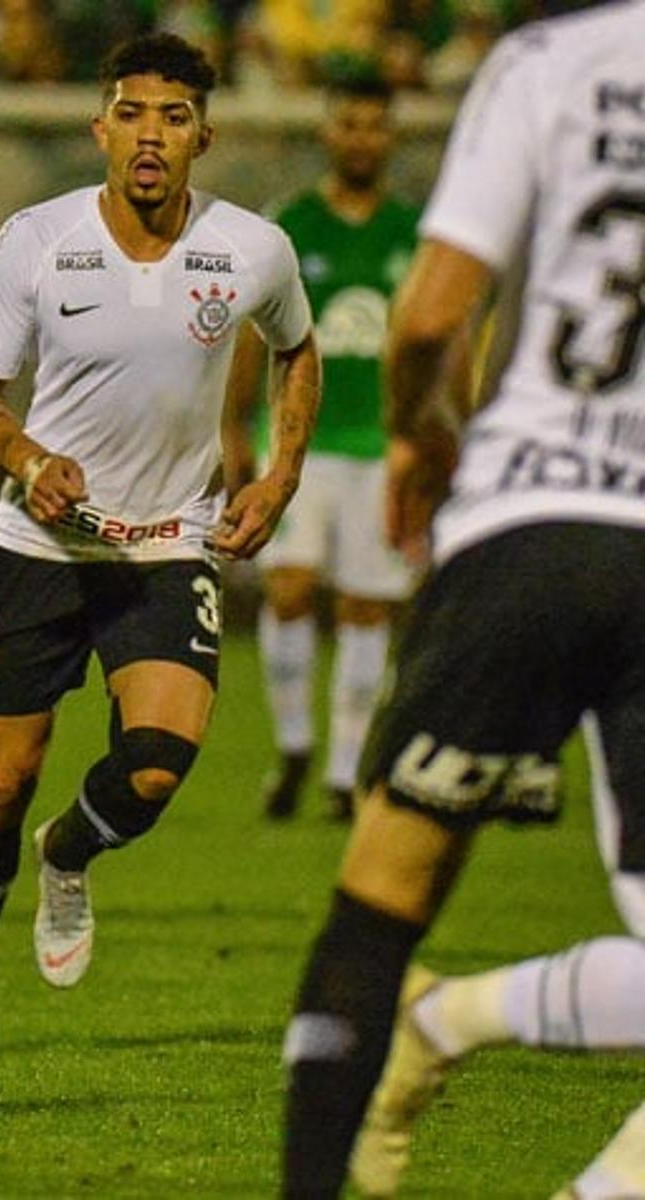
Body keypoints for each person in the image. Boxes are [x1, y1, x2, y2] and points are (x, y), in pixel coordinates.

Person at [280, 4, 645, 1196]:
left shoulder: (552, 61)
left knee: (383, 896)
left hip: (523, 521)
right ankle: (442, 1026)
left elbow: (433, 313)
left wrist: (418, 449)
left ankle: (400, 1064)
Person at [0, 32, 320, 1053]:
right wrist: (30, 459)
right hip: (41, 550)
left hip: (167, 544)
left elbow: (299, 351)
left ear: (202, 137)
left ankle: (70, 855)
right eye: (132, 113)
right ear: (101, 127)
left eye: (173, 118)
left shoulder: (253, 248)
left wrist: (277, 475)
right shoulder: (37, 240)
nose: (150, 135)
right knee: (0, 779)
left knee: (152, 770)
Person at [225, 74, 422, 823]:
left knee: (369, 608)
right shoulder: (291, 226)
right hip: (295, 443)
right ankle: (295, 746)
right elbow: (254, 337)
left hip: (382, 447)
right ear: (328, 133)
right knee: (291, 589)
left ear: (390, 137)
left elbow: (440, 347)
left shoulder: (414, 232)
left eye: (375, 125)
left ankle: (343, 773)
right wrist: (236, 433)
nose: (362, 137)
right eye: (349, 124)